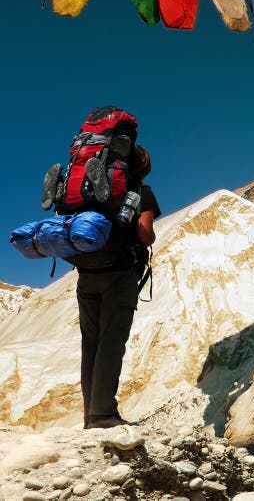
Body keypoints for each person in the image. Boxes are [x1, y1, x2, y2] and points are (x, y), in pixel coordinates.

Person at [78, 144, 161, 429]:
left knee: (91, 344)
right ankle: (103, 415)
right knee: (111, 344)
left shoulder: (92, 193)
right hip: (119, 275)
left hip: (87, 272)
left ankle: (91, 415)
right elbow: (145, 234)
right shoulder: (142, 192)